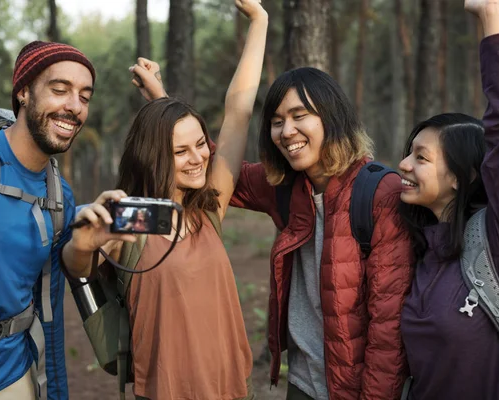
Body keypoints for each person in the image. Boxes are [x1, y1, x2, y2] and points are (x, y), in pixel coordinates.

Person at [137, 33, 414, 400]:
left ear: (332, 118)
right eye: (277, 121)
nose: (287, 132)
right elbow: (209, 163)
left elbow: (388, 328)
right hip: (300, 383)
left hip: (352, 390)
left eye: (300, 117)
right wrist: (162, 103)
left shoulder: (380, 194)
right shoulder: (283, 185)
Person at [60, 1, 268, 399]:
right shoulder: (133, 221)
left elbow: (238, 111)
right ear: (156, 156)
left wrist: (259, 19)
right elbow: (78, 266)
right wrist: (80, 246)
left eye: (200, 145)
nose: (199, 158)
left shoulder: (209, 209)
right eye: (181, 151)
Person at [0, 42, 97, 398]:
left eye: (84, 97)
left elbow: (50, 310)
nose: (74, 106)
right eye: (60, 90)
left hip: (16, 379)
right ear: (23, 92)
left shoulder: (60, 195)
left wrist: (54, 392)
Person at [398, 1, 499, 399]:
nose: (403, 164)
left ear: (464, 177)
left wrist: (491, 14)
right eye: (409, 151)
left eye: (420, 157)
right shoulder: (420, 246)